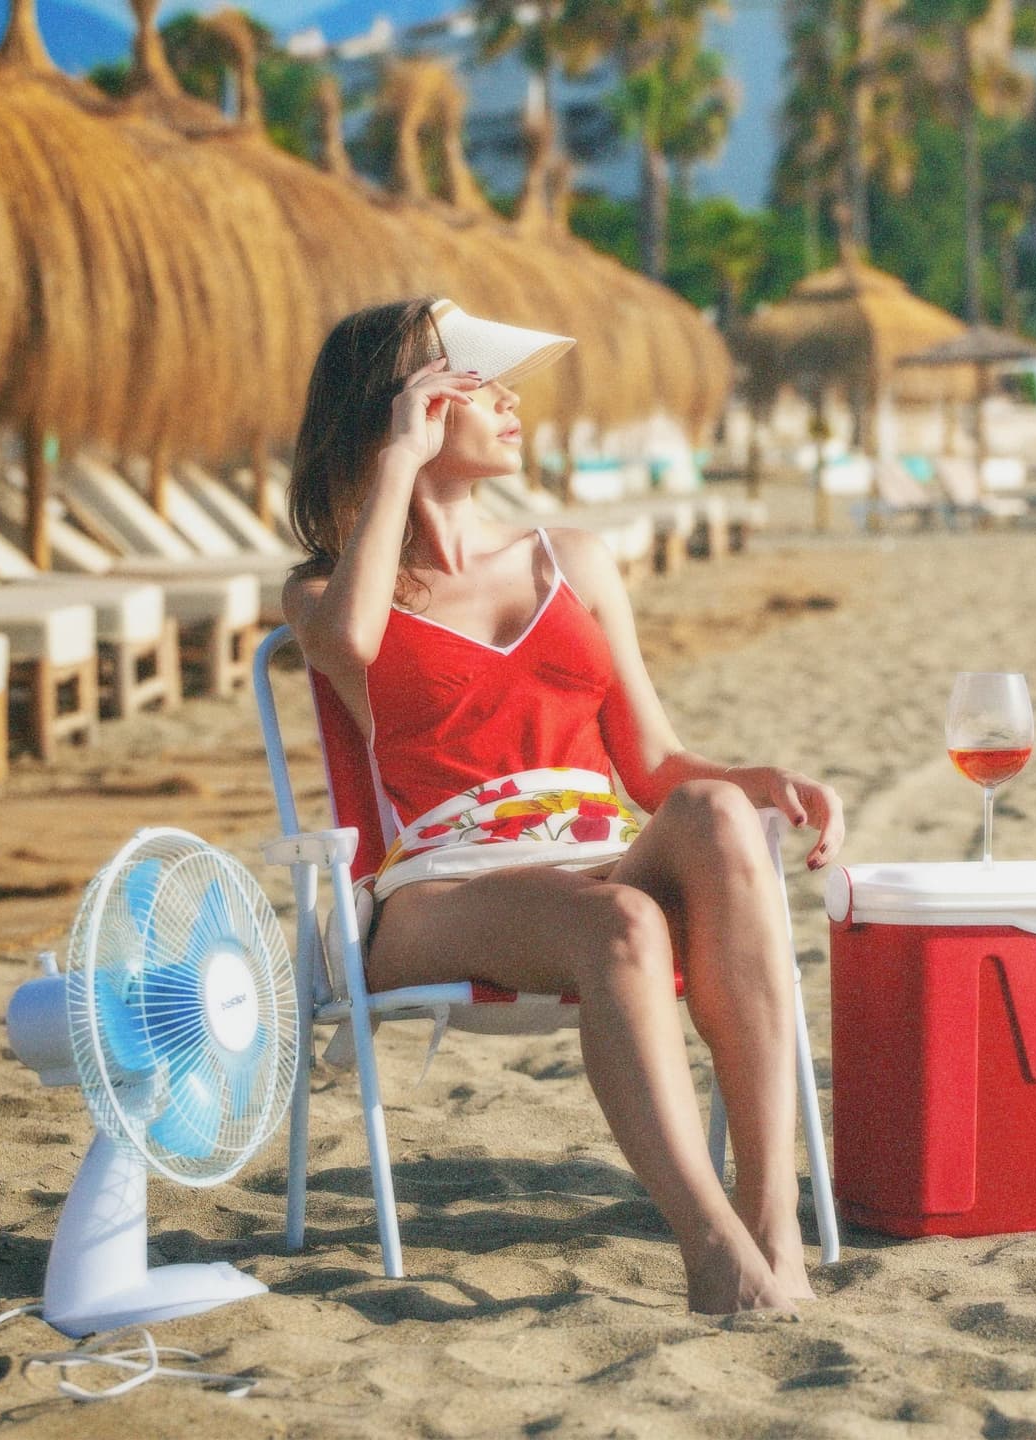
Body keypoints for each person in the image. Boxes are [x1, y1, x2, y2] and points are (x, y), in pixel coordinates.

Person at [282, 297, 844, 1314]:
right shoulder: (328, 593)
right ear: (402, 410)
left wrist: (762, 782)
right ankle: (716, 1255)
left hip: (595, 852)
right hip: (439, 891)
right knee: (624, 921)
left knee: (715, 814)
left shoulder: (571, 560)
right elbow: (351, 649)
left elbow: (654, 760)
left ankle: (773, 1228)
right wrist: (399, 466)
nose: (507, 399)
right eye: (472, 381)